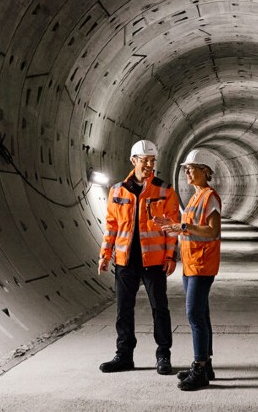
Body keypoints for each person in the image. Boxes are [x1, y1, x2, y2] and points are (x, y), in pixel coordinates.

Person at [97, 139, 181, 375]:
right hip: (125, 261)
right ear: (133, 161)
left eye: (152, 161)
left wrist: (170, 256)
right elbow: (112, 226)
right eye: (145, 161)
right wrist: (105, 254)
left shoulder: (164, 190)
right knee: (123, 310)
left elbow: (171, 227)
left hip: (154, 261)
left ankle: (163, 355)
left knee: (159, 309)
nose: (149, 165)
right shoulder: (117, 190)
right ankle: (124, 356)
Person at [155, 148, 222, 391]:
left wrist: (182, 227)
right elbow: (189, 226)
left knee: (194, 314)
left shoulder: (209, 197)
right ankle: (207, 365)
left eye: (191, 169)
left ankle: (199, 367)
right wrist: (174, 226)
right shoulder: (195, 197)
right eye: (186, 170)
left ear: (205, 171)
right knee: (201, 314)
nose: (187, 173)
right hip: (191, 263)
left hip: (202, 264)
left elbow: (213, 230)